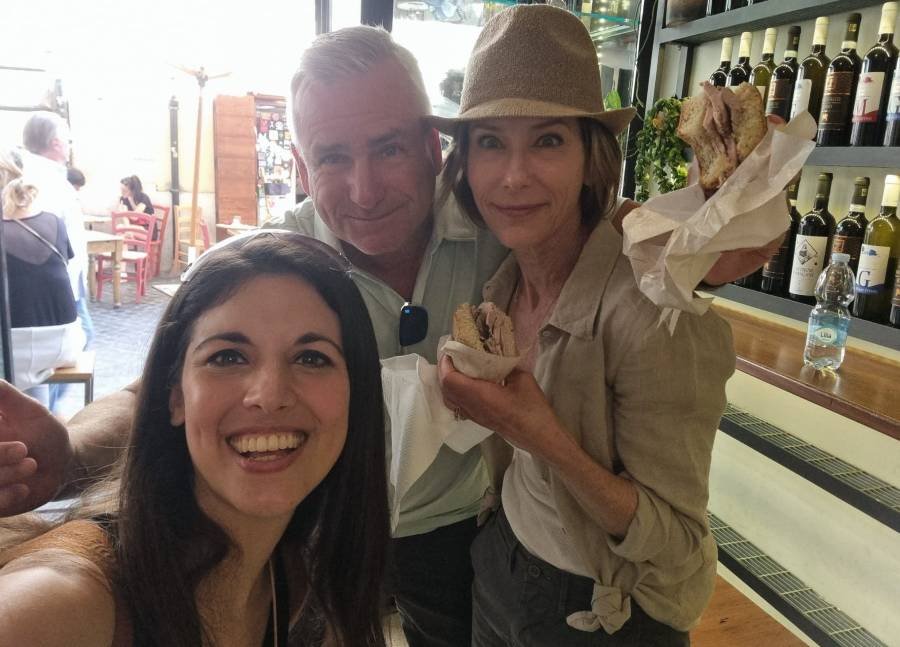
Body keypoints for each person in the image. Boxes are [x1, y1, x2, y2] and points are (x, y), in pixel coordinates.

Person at [0, 24, 781, 647]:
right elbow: (158, 387)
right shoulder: (284, 261)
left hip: (458, 530)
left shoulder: (501, 224)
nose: (364, 190)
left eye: (389, 148)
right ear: (302, 165)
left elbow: (614, 244)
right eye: (333, 158)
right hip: (315, 519)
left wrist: (693, 249)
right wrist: (65, 451)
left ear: (435, 150)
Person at [434, 5, 736, 644]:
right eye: (490, 141)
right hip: (500, 555)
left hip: (602, 611)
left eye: (547, 140)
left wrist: (536, 433)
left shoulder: (657, 315)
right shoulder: (501, 283)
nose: (513, 177)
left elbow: (678, 544)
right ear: (464, 161)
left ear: (589, 156)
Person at [0, 231, 388, 646]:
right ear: (175, 396)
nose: (270, 397)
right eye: (227, 357)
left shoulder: (298, 572)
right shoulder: (61, 605)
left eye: (312, 358)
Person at [0, 150, 85, 408]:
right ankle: (40, 424)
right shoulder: (54, 221)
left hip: (12, 349)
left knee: (16, 357)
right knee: (31, 369)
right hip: (64, 342)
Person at [21, 112, 94, 350]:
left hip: (59, 279)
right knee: (72, 343)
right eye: (68, 140)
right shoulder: (44, 180)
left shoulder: (37, 175)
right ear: (55, 143)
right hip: (57, 280)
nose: (69, 146)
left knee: (73, 343)